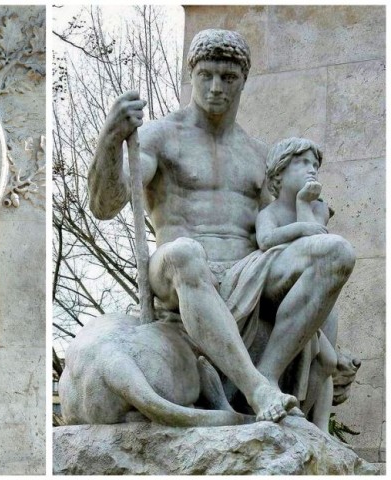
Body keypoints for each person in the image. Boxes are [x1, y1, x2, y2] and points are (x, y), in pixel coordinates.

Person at [89, 29, 355, 422]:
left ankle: (269, 374)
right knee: (185, 252)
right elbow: (105, 204)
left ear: (243, 82)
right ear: (192, 74)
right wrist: (111, 139)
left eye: (228, 78)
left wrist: (327, 345)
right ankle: (255, 387)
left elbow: (280, 232)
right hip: (177, 271)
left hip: (248, 271)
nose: (216, 87)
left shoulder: (260, 156)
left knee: (335, 252)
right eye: (206, 75)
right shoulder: (161, 136)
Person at [256, 137, 340, 432]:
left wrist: (304, 204)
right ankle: (291, 407)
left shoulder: (317, 209)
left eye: (315, 165)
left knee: (329, 362)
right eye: (303, 163)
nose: (312, 170)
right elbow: (265, 240)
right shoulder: (270, 213)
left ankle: (316, 425)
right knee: (326, 358)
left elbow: (315, 249)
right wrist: (301, 226)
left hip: (305, 300)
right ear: (278, 172)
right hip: (279, 294)